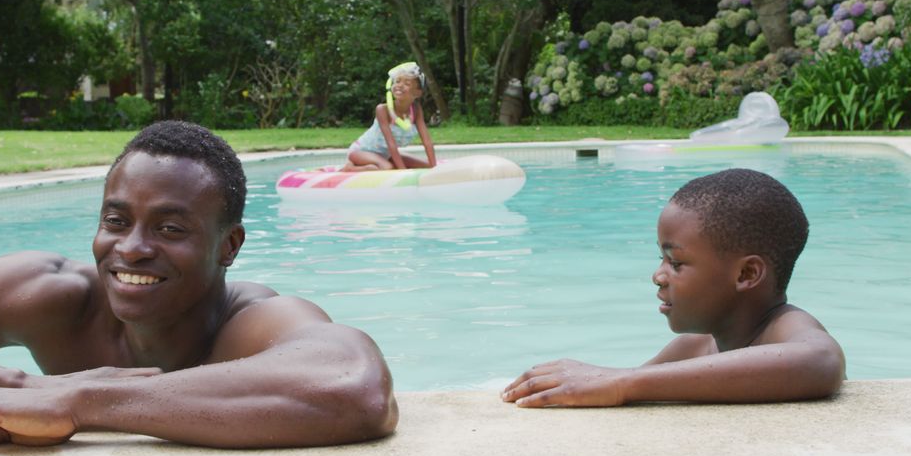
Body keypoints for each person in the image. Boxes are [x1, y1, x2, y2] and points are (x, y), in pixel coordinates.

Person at [0, 120, 398, 456]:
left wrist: (81, 401)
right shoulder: (55, 295)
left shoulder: (252, 321)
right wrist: (18, 387)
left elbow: (355, 388)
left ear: (227, 247)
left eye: (171, 229)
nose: (132, 248)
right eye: (117, 220)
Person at [502, 168, 845, 407]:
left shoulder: (786, 327)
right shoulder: (693, 347)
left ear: (746, 274)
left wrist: (624, 383)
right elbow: (610, 387)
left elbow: (821, 361)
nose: (658, 276)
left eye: (676, 263)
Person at [341, 61, 436, 172]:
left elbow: (427, 141)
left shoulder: (416, 109)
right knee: (388, 168)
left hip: (385, 155)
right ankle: (350, 168)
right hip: (361, 152)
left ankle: (381, 164)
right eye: (397, 81)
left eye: (407, 83)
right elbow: (391, 144)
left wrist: (434, 167)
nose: (399, 85)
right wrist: (402, 170)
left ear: (418, 92)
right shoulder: (382, 110)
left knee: (427, 165)